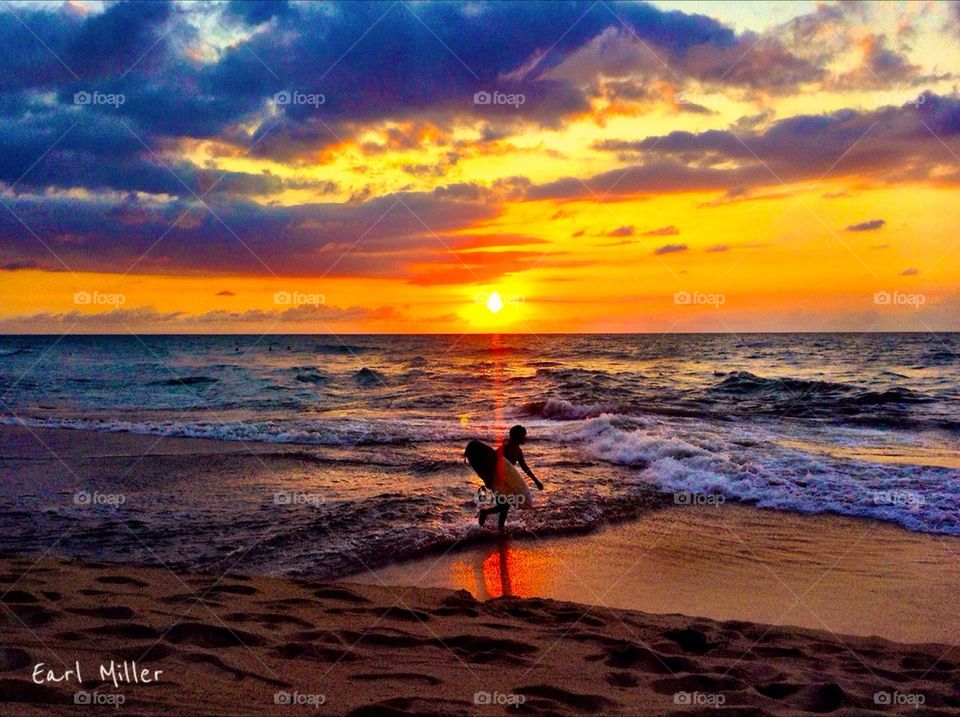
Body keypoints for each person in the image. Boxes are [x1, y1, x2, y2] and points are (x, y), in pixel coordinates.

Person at [478, 425, 543, 531]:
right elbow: (491, 463)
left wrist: (536, 481)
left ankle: (497, 525)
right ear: (516, 437)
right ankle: (489, 518)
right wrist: (487, 480)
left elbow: (524, 467)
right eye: (523, 436)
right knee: (504, 506)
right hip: (497, 480)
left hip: (507, 482)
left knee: (505, 506)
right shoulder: (504, 448)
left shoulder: (518, 450)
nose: (525, 438)